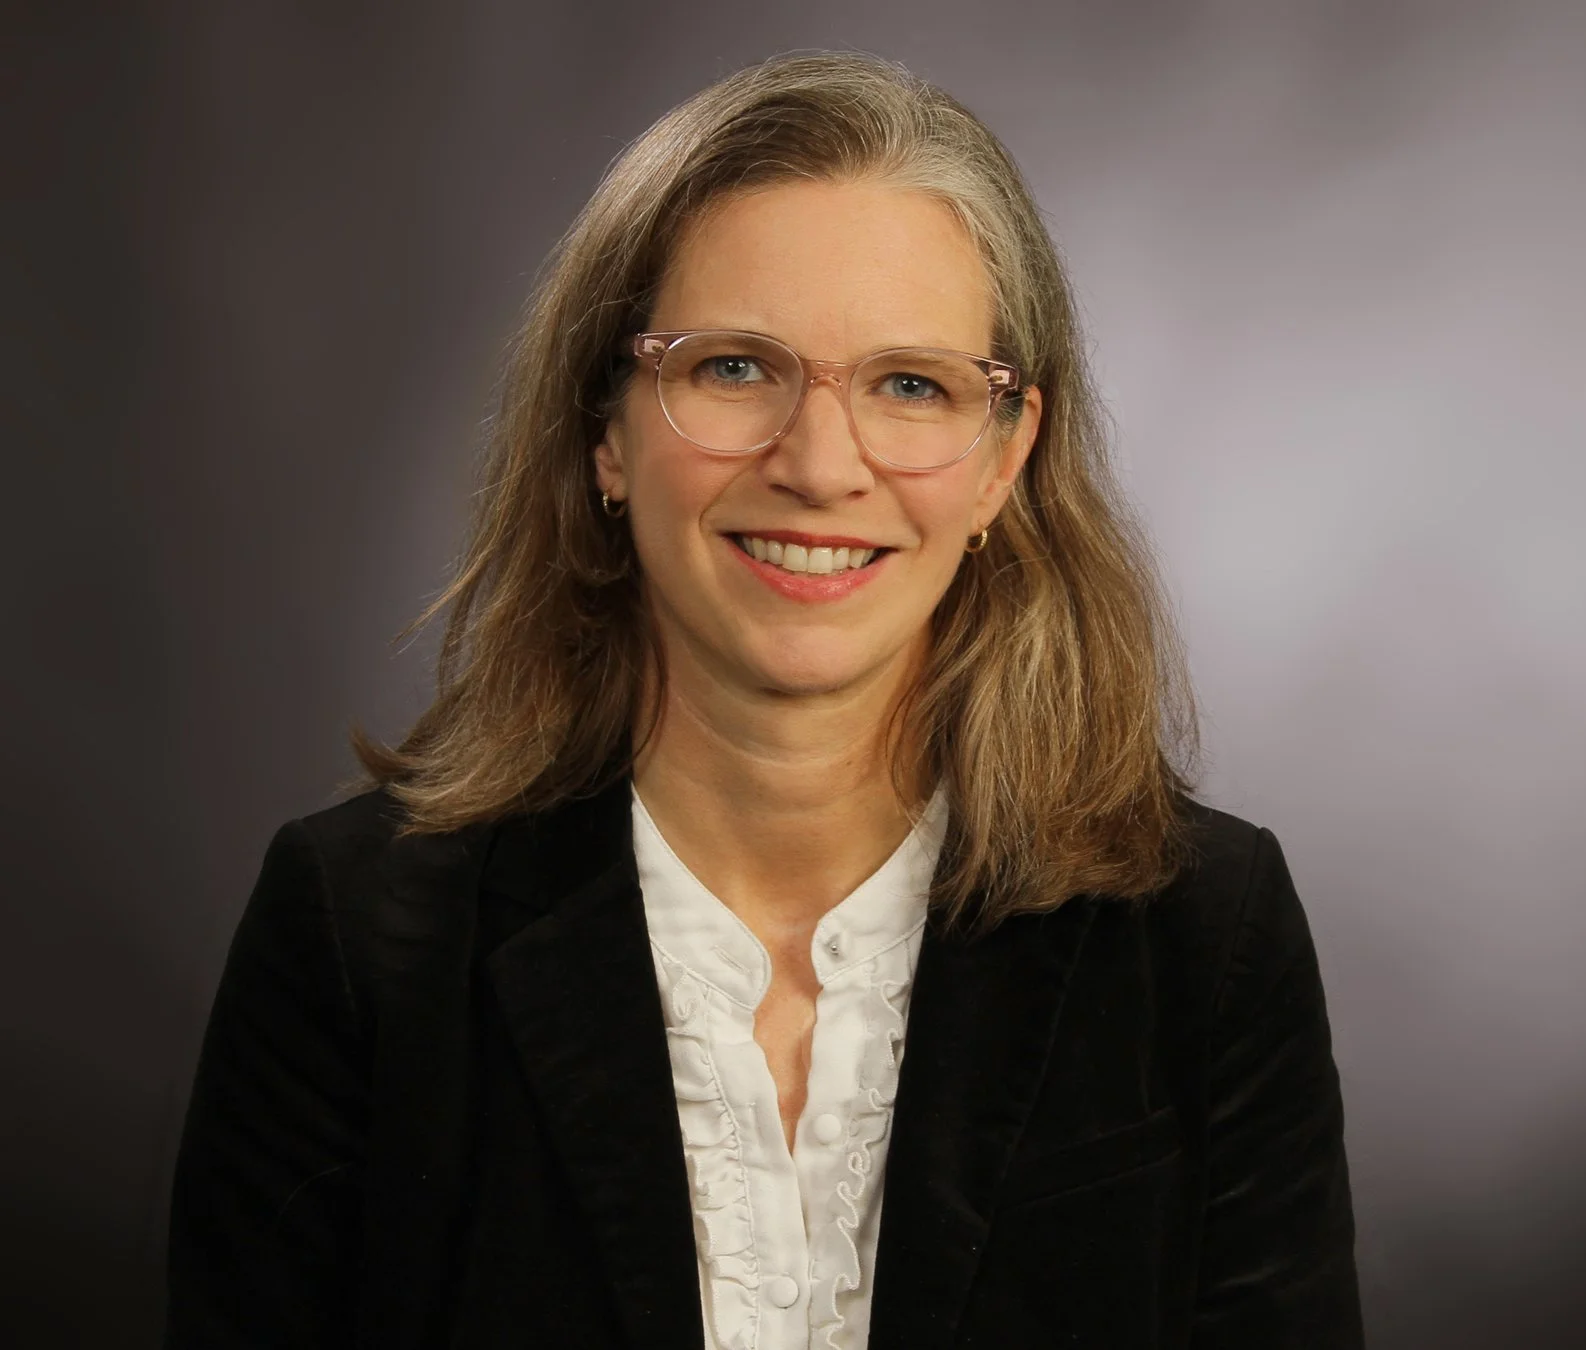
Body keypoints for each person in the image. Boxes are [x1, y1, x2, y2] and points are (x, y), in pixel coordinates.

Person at [163, 49, 1364, 1350]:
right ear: (605, 432)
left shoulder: (1202, 937)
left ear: (1004, 458)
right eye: (736, 367)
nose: (818, 463)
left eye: (912, 384)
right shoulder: (355, 939)